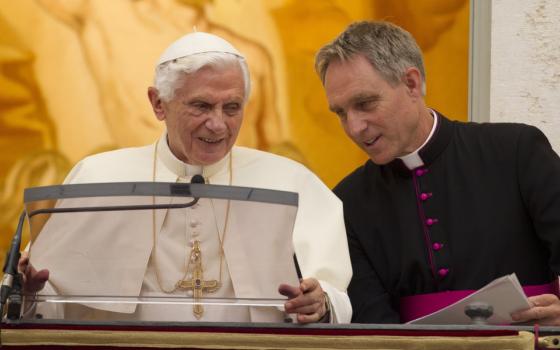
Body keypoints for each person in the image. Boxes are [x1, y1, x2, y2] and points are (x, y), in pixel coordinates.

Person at [19, 31, 352, 324]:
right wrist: (32, 292)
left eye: (232, 107)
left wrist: (320, 303)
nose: (218, 124)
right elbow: (49, 302)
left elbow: (334, 296)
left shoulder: (289, 180)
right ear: (158, 103)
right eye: (201, 106)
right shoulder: (98, 177)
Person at [314, 20, 560, 324]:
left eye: (365, 103)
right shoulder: (346, 202)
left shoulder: (516, 151)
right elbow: (372, 325)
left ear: (411, 84)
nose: (354, 127)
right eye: (340, 112)